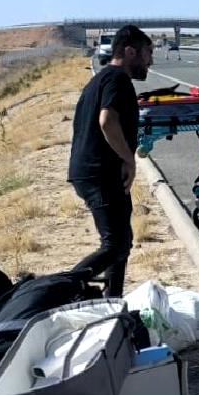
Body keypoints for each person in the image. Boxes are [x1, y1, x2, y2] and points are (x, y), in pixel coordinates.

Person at [68, 24, 152, 298]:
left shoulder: (100, 79)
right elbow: (107, 121)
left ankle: (112, 301)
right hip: (99, 173)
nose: (150, 61)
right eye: (146, 53)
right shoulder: (118, 79)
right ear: (130, 52)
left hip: (96, 172)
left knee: (121, 241)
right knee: (115, 244)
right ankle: (61, 289)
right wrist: (129, 160)